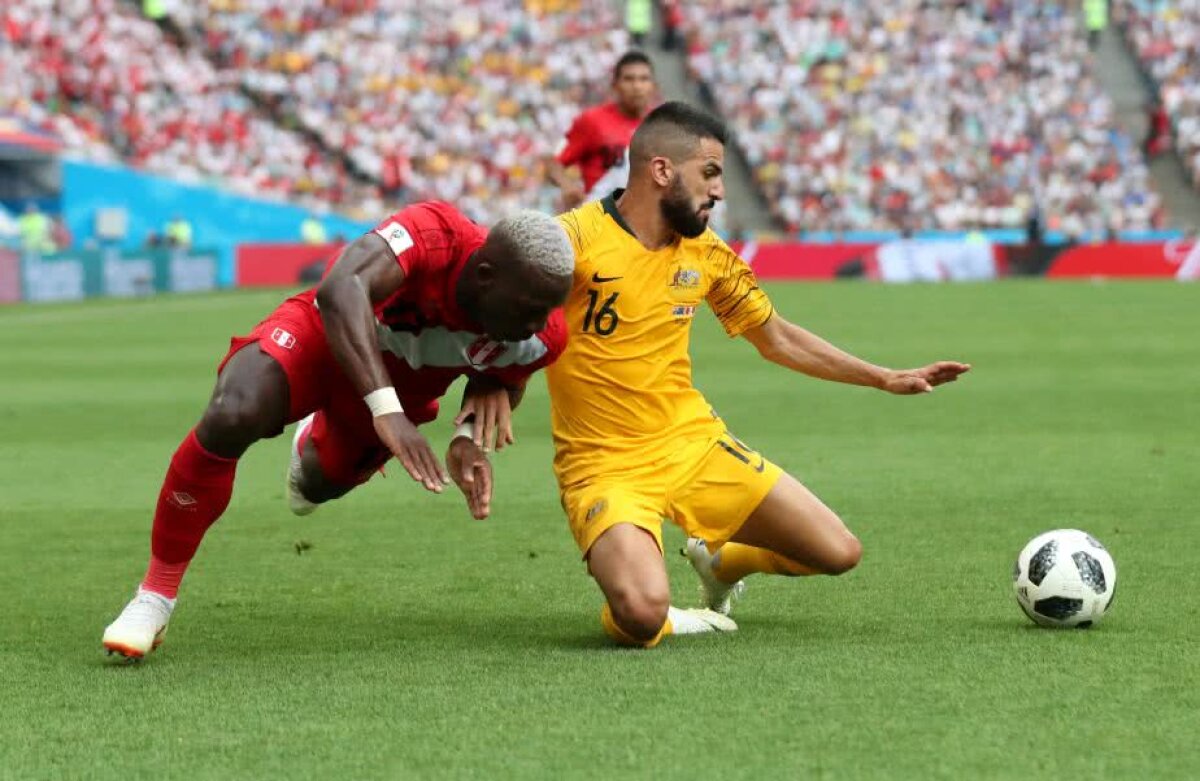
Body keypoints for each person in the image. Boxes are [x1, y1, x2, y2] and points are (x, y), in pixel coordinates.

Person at [549, 102, 971, 647]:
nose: (719, 191)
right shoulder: (573, 241)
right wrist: (475, 414)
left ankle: (721, 561)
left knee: (838, 552)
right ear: (661, 171)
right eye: (709, 173)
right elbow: (512, 327)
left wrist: (884, 378)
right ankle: (662, 611)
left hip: (691, 444)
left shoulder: (706, 252)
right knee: (642, 614)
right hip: (602, 463)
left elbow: (777, 338)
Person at [101, 204, 575, 661]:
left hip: (397, 396)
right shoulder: (435, 234)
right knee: (233, 413)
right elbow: (342, 287)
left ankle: (313, 439)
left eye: (547, 310)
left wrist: (467, 437)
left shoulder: (539, 333)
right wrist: (386, 410)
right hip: (321, 339)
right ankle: (155, 597)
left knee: (316, 486)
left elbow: (504, 377)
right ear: (486, 275)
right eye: (529, 308)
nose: (538, 323)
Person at [546, 51, 656, 211]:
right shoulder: (591, 120)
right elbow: (553, 164)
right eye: (629, 79)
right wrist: (567, 185)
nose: (637, 86)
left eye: (643, 79)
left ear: (653, 85)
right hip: (601, 218)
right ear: (615, 85)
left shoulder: (661, 125)